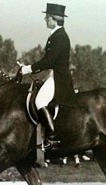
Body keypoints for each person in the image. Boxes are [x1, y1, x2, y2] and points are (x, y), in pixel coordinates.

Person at [19, 3, 76, 148]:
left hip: (59, 78)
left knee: (40, 102)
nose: (45, 20)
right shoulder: (55, 35)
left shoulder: (60, 37)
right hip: (53, 75)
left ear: (54, 19)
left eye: (47, 18)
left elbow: (49, 60)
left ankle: (52, 136)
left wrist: (27, 69)